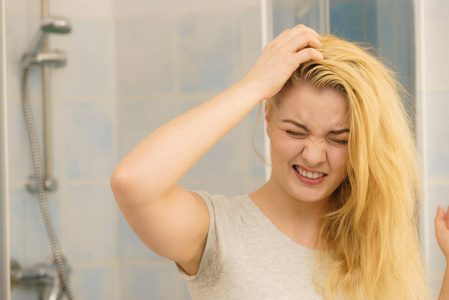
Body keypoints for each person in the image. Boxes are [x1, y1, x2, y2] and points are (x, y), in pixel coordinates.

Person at [111, 24, 449, 299]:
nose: (314, 155)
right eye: (296, 131)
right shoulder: (218, 234)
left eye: (339, 139)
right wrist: (254, 85)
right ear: (268, 118)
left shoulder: (374, 243)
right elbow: (134, 183)